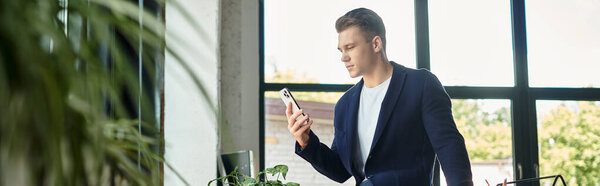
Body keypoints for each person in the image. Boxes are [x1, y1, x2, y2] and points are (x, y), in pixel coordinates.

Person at [285, 8, 473, 186]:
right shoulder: (345, 104)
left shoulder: (421, 84)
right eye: (341, 50)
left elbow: (449, 146)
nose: (343, 57)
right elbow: (340, 171)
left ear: (376, 43)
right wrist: (307, 142)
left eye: (349, 47)